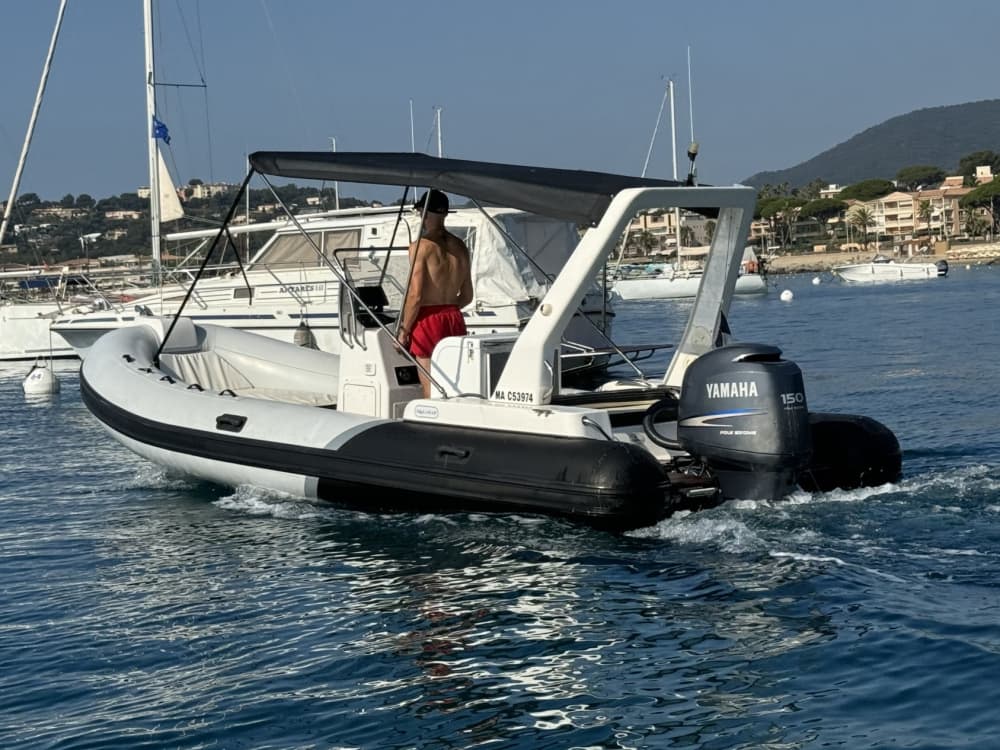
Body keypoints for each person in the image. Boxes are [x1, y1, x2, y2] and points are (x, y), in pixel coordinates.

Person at [397, 189, 473, 397]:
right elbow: (467, 296)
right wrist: (447, 308)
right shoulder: (461, 247)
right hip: (453, 317)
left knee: (430, 387)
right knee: (454, 384)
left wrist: (403, 331)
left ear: (423, 212)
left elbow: (416, 295)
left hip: (427, 319)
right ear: (445, 214)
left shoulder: (420, 247)